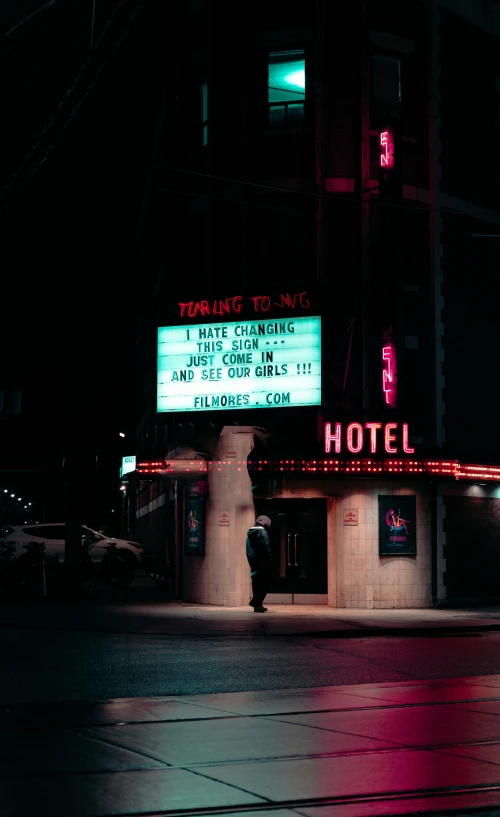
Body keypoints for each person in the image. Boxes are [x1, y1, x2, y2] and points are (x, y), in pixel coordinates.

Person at [246, 514, 272, 613]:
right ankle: (255, 602)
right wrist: (269, 560)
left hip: (253, 563)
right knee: (265, 584)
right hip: (263, 563)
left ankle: (258, 606)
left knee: (256, 584)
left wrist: (252, 562)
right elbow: (266, 548)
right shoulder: (262, 533)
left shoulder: (250, 533)